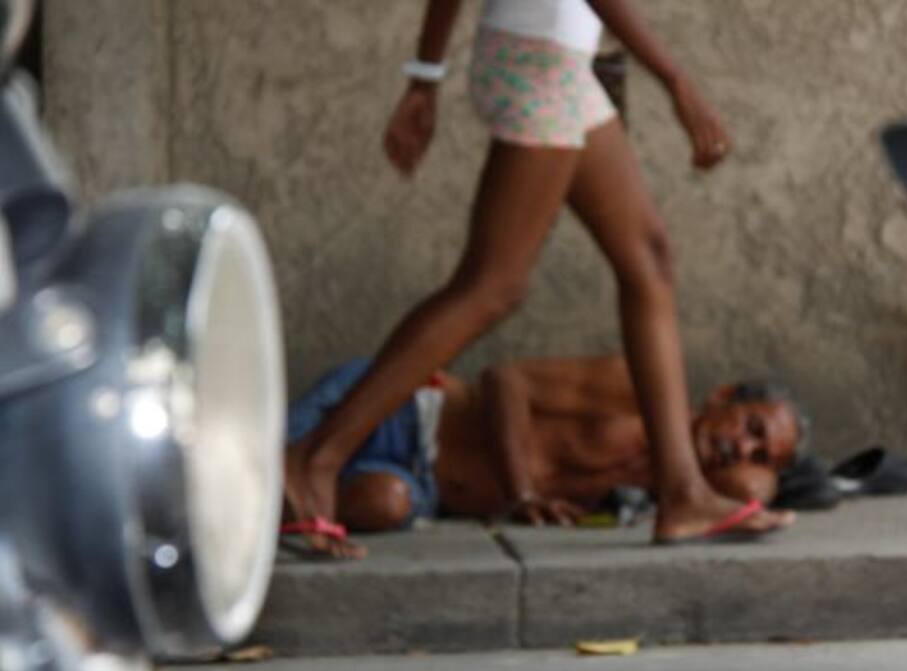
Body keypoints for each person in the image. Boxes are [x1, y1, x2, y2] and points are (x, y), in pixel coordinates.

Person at [283, 0, 793, 556]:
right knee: (491, 286)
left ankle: (683, 493)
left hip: (551, 59)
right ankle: (317, 458)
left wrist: (426, 76)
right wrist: (675, 80)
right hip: (540, 61)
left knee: (648, 261)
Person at [282, 355, 802, 558]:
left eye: (760, 454)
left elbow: (753, 494)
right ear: (722, 396)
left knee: (384, 503)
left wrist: (767, 477)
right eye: (751, 427)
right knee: (263, 469)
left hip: (420, 486)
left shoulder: (671, 486)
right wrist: (521, 492)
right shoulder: (633, 384)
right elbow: (504, 379)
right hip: (402, 406)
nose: (743, 447)